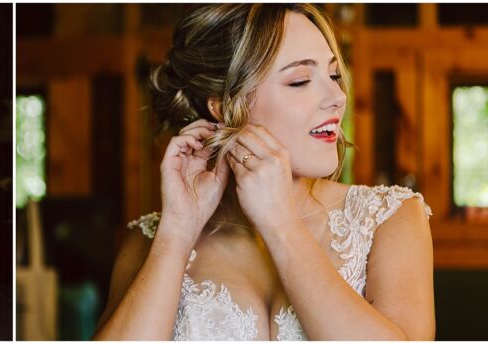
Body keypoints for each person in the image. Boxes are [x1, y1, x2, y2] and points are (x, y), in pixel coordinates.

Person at [94, 4, 435, 340]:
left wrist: (281, 224)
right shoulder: (151, 239)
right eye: (300, 81)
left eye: (333, 74)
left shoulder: (391, 219)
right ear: (226, 107)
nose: (337, 96)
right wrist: (177, 232)